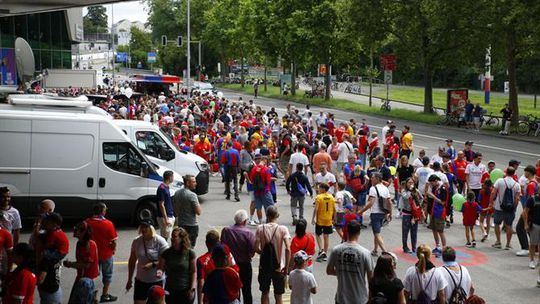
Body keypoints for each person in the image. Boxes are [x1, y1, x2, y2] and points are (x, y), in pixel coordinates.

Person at [327, 220, 374, 304]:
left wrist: (342, 272)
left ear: (347, 232)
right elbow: (371, 278)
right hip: (360, 298)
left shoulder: (336, 250)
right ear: (359, 233)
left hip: (341, 298)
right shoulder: (365, 253)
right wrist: (370, 297)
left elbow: (329, 271)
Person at [126, 220, 169, 304]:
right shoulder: (136, 241)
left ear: (151, 228)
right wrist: (129, 279)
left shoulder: (160, 241)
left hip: (156, 280)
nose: (143, 229)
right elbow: (132, 261)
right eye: (142, 227)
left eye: (146, 227)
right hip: (141, 280)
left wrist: (153, 264)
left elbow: (167, 260)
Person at [255, 206, 291, 304]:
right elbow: (288, 249)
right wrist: (286, 269)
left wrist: (262, 252)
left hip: (264, 267)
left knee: (265, 293)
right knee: (278, 295)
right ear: (277, 215)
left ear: (267, 215)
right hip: (278, 267)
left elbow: (255, 248)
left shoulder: (260, 228)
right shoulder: (283, 229)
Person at [220, 210, 256, 304]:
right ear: (244, 221)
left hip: (230, 265)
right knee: (246, 289)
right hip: (245, 265)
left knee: (233, 290)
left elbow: (222, 245)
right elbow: (252, 251)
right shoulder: (248, 233)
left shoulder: (226, 230)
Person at [85, 203, 118, 303]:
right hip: (106, 253)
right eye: (105, 210)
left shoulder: (87, 222)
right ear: (102, 211)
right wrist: (113, 249)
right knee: (107, 274)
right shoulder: (108, 223)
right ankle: (105, 295)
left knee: (93, 275)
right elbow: (113, 241)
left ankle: (94, 296)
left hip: (92, 254)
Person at [157, 227, 196, 303]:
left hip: (185, 291)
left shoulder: (190, 253)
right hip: (170, 290)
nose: (172, 238)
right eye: (171, 236)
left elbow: (194, 272)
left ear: (181, 238)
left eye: (174, 236)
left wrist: (192, 288)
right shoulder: (167, 253)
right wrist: (159, 272)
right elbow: (160, 268)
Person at [36, 213, 69, 304]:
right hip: (61, 252)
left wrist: (40, 257)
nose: (45, 223)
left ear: (54, 224)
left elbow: (46, 246)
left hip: (59, 253)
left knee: (44, 254)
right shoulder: (55, 231)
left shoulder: (53, 235)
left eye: (47, 222)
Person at [63, 221, 99, 304]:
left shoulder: (90, 245)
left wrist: (70, 264)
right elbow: (80, 262)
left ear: (83, 232)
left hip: (86, 281)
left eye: (77, 229)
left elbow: (86, 265)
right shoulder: (79, 243)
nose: (74, 230)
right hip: (80, 277)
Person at [358, 172, 391, 256]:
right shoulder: (385, 188)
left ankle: (384, 251)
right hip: (383, 213)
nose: (371, 179)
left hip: (375, 213)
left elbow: (370, 203)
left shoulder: (373, 188)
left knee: (376, 233)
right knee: (377, 232)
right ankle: (375, 249)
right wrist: (389, 213)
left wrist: (361, 211)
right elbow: (389, 202)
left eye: (372, 178)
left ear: (377, 178)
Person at [488, 167, 521, 250]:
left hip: (499, 207)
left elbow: (493, 192)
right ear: (513, 174)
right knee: (509, 225)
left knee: (497, 224)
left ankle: (498, 242)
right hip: (510, 209)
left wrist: (491, 203)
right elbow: (517, 198)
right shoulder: (517, 184)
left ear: (505, 173)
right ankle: (508, 244)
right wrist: (514, 207)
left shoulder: (499, 181)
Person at [173, 174, 202, 247]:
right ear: (188, 183)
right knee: (190, 249)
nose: (196, 183)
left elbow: (175, 210)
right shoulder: (192, 195)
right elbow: (198, 212)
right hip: (191, 226)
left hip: (181, 224)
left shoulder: (177, 193)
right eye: (194, 182)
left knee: (181, 247)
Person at [516, 165, 538, 257]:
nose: (524, 173)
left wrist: (525, 211)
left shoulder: (531, 185)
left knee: (520, 227)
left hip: (529, 210)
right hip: (533, 211)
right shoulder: (535, 182)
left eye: (525, 172)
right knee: (530, 229)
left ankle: (525, 248)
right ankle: (535, 247)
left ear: (528, 172)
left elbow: (530, 199)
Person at [312, 183, 335, 261]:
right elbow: (334, 208)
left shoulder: (319, 197)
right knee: (326, 236)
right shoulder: (331, 197)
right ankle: (325, 252)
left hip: (320, 219)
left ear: (323, 189)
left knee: (318, 234)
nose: (318, 189)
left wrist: (313, 218)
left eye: (319, 188)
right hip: (328, 219)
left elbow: (316, 209)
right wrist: (334, 218)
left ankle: (321, 250)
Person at [426, 175, 448, 256]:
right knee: (434, 229)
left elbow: (443, 202)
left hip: (440, 212)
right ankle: (437, 246)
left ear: (435, 181)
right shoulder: (435, 187)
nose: (431, 185)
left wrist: (432, 195)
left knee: (440, 231)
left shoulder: (443, 188)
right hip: (433, 211)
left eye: (432, 183)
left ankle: (444, 248)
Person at [248, 153, 274, 223]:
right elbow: (268, 181)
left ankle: (260, 222)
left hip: (256, 192)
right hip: (265, 191)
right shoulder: (265, 169)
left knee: (258, 208)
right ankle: (269, 221)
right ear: (263, 161)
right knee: (270, 206)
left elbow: (251, 179)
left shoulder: (254, 169)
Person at [400, 178, 423, 253]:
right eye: (409, 183)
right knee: (405, 232)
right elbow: (405, 197)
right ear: (406, 183)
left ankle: (414, 247)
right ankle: (405, 247)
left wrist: (418, 206)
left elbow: (422, 198)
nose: (411, 184)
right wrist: (410, 191)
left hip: (414, 214)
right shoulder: (404, 191)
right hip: (406, 213)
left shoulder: (416, 191)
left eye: (412, 182)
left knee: (414, 232)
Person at [523, 185, 540, 285]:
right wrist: (525, 223)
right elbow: (525, 211)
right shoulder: (532, 199)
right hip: (534, 225)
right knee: (533, 243)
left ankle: (538, 261)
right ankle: (532, 260)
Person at [156, 170, 175, 241]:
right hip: (164, 217)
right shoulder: (162, 188)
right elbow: (161, 204)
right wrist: (166, 219)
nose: (173, 178)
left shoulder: (166, 187)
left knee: (167, 235)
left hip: (169, 215)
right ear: (170, 177)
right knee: (165, 237)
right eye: (173, 176)